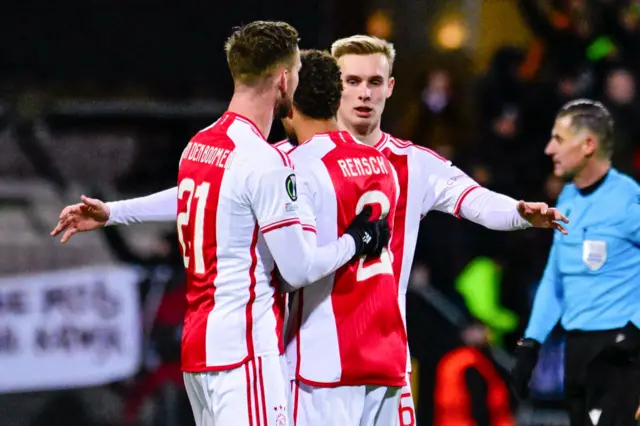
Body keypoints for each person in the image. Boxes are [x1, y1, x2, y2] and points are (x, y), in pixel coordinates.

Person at [51, 35, 568, 425]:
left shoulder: (402, 162)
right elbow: (207, 196)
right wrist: (117, 212)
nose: (362, 94)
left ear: (390, 88)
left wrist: (520, 211)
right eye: (350, 81)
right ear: (326, 86)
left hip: (383, 362)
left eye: (372, 81)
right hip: (315, 365)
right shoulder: (301, 162)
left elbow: (475, 201)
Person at [67, 21, 390, 426]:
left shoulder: (202, 144)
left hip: (200, 354)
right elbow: (300, 269)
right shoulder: (264, 161)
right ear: (284, 78)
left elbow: (190, 193)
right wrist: (357, 239)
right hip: (246, 355)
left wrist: (114, 212)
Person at [280, 49, 405, 426]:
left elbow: (295, 269)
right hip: (385, 352)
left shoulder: (297, 166)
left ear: (289, 106)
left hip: (324, 359)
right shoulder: (381, 163)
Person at [511, 99, 640, 426]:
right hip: (576, 348)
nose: (548, 148)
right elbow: (555, 277)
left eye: (559, 139)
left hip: (619, 352)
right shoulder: (567, 198)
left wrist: (634, 331)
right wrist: (532, 342)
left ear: (588, 145)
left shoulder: (627, 199)